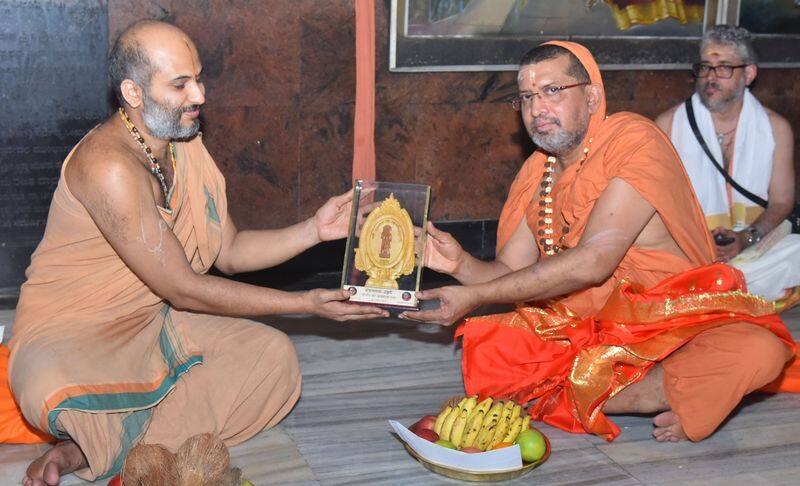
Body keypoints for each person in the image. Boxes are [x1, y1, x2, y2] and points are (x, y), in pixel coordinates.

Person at [9, 20, 387, 485]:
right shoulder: (107, 165)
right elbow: (185, 289)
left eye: (199, 77)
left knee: (274, 361)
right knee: (55, 385)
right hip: (71, 340)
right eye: (180, 84)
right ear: (133, 92)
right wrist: (305, 305)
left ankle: (100, 446)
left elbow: (229, 251)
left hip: (151, 324)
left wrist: (313, 229)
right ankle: (83, 447)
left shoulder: (183, 144)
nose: (200, 95)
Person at [402, 41, 796, 443]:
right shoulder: (540, 170)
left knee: (759, 350)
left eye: (553, 91)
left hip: (673, 325)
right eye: (526, 97)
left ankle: (637, 390)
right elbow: (508, 271)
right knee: (498, 349)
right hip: (588, 327)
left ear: (591, 97)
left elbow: (595, 261)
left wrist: (476, 295)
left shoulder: (633, 140)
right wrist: (458, 264)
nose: (537, 108)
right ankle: (662, 388)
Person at [655, 25, 800, 303]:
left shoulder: (775, 128)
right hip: (690, 248)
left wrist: (745, 238)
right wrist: (698, 240)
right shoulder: (668, 125)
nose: (711, 77)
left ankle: (717, 293)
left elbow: (782, 202)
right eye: (706, 67)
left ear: (749, 74)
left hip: (752, 244)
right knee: (658, 264)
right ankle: (729, 291)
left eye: (723, 68)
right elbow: (656, 203)